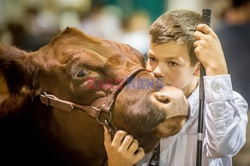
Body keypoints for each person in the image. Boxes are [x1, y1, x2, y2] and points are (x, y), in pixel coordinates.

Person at [103, 9, 248, 166]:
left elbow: (224, 147)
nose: (156, 71)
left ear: (198, 68)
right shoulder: (134, 102)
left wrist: (216, 69)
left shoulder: (231, 102)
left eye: (172, 63)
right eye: (152, 58)